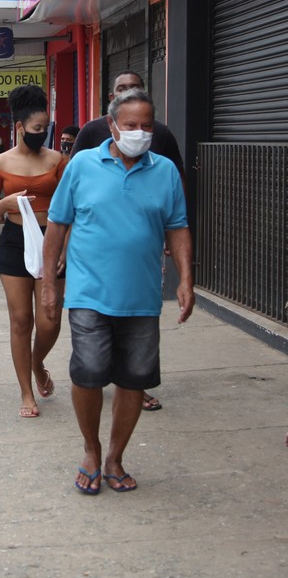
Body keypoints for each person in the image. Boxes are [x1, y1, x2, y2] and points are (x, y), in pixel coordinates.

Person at [40, 88, 194, 494]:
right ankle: (90, 450)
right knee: (88, 373)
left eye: (147, 126)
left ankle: (114, 457)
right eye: (130, 126)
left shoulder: (164, 172)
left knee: (134, 379)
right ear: (112, 125)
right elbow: (57, 224)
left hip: (142, 296)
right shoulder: (82, 166)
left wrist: (185, 280)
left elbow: (177, 227)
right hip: (89, 292)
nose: (139, 133)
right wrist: (48, 284)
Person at [71, 71, 184, 413]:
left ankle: (136, 387)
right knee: (91, 362)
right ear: (111, 100)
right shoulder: (91, 135)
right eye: (122, 89)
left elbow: (175, 199)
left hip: (142, 268)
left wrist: (173, 247)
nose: (139, 133)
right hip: (93, 267)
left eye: (134, 88)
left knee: (135, 360)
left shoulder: (160, 137)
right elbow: (71, 197)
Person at [0, 84, 66, 419]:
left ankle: (37, 361)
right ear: (19, 128)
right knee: (21, 320)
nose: (41, 135)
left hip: (51, 241)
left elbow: (71, 208)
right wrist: (7, 202)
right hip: (15, 241)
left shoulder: (58, 160)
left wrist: (65, 247)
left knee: (50, 320)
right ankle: (26, 392)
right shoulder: (0, 163)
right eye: (36, 129)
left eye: (46, 129)